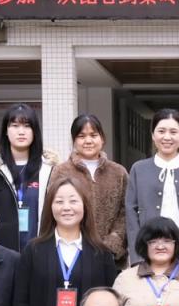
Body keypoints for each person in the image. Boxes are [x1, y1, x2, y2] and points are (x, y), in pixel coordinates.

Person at [13, 177, 119, 306]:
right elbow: (20, 304)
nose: (66, 207)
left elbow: (112, 303)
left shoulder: (101, 253)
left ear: (84, 205)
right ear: (50, 207)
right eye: (59, 201)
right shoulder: (34, 250)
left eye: (73, 201)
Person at [0, 104, 61, 252]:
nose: (21, 132)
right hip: (0, 254)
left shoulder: (50, 169)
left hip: (40, 251)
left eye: (27, 126)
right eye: (14, 126)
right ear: (6, 131)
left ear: (35, 131)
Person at [125, 109, 179, 265]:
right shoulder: (139, 169)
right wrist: (136, 256)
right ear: (153, 135)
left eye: (173, 132)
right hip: (149, 246)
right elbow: (131, 212)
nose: (167, 137)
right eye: (161, 131)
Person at [54, 114, 130, 266]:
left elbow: (126, 210)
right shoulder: (61, 171)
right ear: (74, 141)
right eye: (81, 136)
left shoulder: (118, 172)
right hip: (71, 252)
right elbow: (54, 208)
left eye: (93, 135)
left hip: (111, 258)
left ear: (102, 138)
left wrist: (113, 242)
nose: (88, 141)